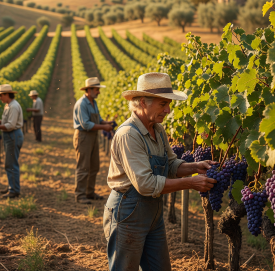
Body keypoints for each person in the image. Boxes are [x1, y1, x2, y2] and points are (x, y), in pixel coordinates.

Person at [104, 72, 217, 270]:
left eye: (169, 104)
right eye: (162, 104)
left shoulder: (158, 129)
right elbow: (146, 185)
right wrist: (191, 182)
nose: (168, 110)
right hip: (128, 212)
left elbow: (171, 165)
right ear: (142, 102)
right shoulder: (129, 135)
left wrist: (194, 167)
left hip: (153, 212)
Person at [73, 77, 113, 204]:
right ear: (89, 90)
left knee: (94, 166)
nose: (99, 92)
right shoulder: (82, 104)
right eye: (97, 89)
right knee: (83, 166)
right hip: (83, 136)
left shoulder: (93, 103)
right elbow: (86, 124)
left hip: (93, 136)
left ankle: (89, 192)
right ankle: (80, 195)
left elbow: (98, 119)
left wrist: (107, 123)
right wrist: (104, 127)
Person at [0, 84, 24, 199]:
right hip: (10, 136)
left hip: (13, 135)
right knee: (9, 163)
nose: (0, 98)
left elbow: (11, 125)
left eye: (1, 95)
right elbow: (8, 121)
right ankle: (11, 187)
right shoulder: (9, 105)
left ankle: (13, 190)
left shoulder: (13, 106)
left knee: (11, 164)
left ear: (7, 94)